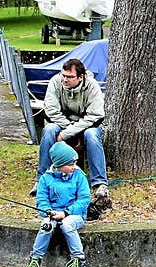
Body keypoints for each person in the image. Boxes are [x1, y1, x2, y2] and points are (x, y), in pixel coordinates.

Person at [34, 58, 110, 214]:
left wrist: (69, 132)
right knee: (48, 131)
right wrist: (68, 129)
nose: (65, 79)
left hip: (87, 124)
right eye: (63, 75)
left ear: (80, 77)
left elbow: (96, 115)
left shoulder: (92, 86)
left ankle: (100, 183)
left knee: (92, 135)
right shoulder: (55, 82)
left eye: (69, 77)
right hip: (62, 123)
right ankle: (41, 178)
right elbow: (51, 110)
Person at [25, 141, 91, 267]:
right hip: (53, 214)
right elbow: (42, 200)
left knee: (67, 225)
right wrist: (48, 211)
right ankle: (35, 260)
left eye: (74, 163)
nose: (74, 167)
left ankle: (79, 261)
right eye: (70, 164)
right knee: (45, 227)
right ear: (59, 165)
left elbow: (84, 200)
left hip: (74, 214)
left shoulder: (79, 176)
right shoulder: (45, 179)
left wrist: (66, 213)